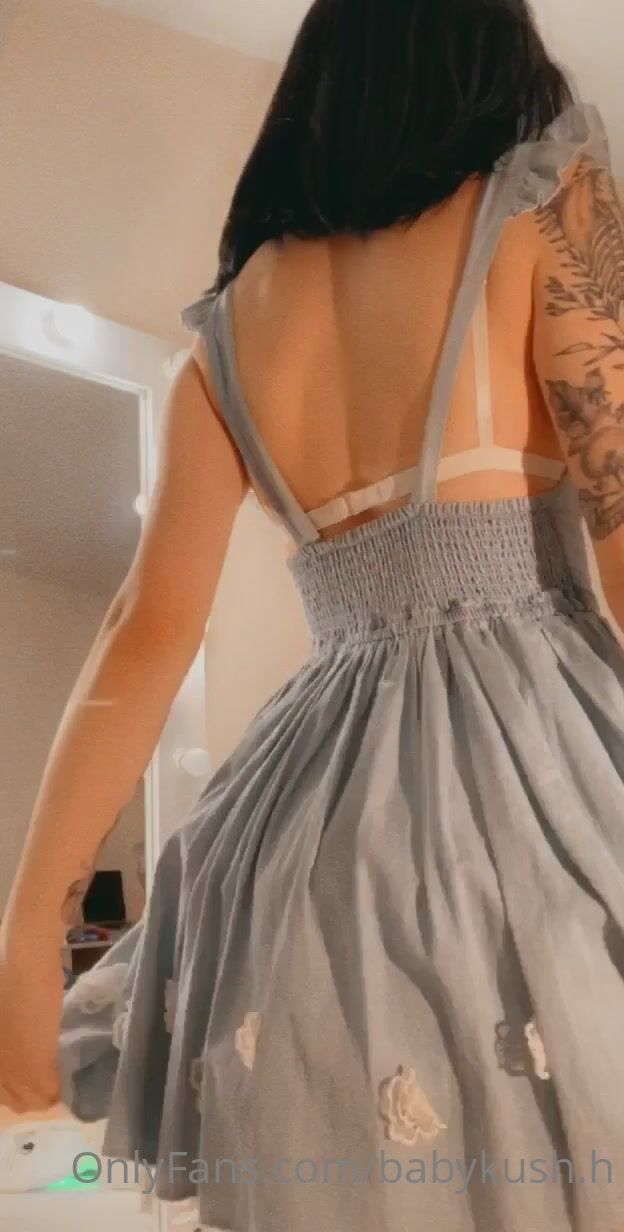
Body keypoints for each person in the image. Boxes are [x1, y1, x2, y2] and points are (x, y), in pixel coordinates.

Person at [1, 1, 623, 1229]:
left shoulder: (229, 331)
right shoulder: (550, 204)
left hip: (289, 865)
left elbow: (143, 632)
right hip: (522, 790)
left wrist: (27, 933)